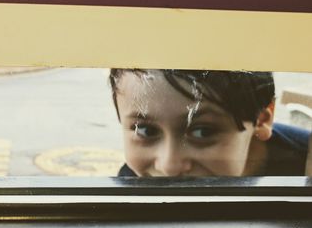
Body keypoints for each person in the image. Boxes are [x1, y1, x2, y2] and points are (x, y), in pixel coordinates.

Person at [109, 69, 311, 177]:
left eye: (202, 132)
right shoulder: (131, 180)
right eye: (145, 130)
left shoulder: (305, 166)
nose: (169, 166)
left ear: (262, 119)